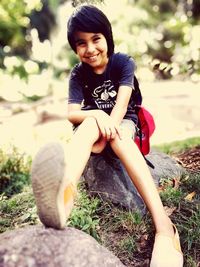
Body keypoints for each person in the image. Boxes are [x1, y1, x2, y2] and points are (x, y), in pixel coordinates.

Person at [31, 5, 183, 267]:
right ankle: (62, 201)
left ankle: (165, 228)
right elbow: (72, 114)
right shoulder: (78, 74)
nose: (89, 49)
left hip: (122, 125)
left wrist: (107, 127)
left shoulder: (123, 62)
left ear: (107, 37)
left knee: (117, 135)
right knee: (89, 125)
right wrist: (97, 118)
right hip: (94, 131)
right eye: (81, 43)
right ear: (74, 48)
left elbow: (123, 104)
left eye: (95, 39)